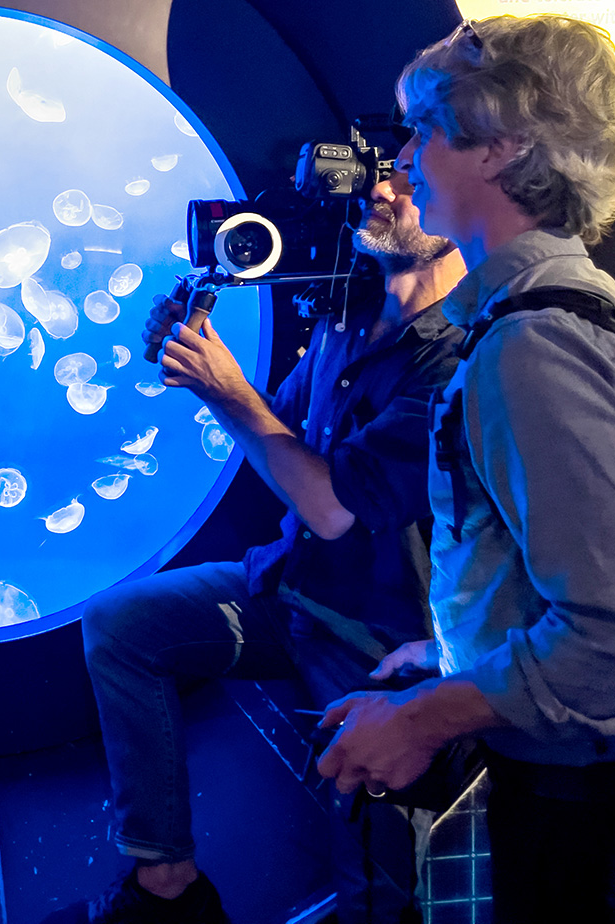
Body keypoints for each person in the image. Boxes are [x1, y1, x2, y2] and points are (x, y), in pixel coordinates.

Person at [44, 168, 467, 924]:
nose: (382, 192)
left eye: (406, 178)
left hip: (379, 631)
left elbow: (335, 508)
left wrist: (223, 389)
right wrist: (201, 356)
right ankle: (166, 883)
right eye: (376, 177)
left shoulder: (457, 353)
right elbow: (287, 437)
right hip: (291, 585)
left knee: (374, 871)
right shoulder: (351, 315)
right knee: (124, 624)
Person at [317, 15, 615, 923]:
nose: (406, 154)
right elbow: (550, 562)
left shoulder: (532, 344)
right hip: (549, 758)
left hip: (564, 786)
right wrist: (450, 655)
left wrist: (425, 718)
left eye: (425, 129)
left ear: (502, 143)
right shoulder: (550, 309)